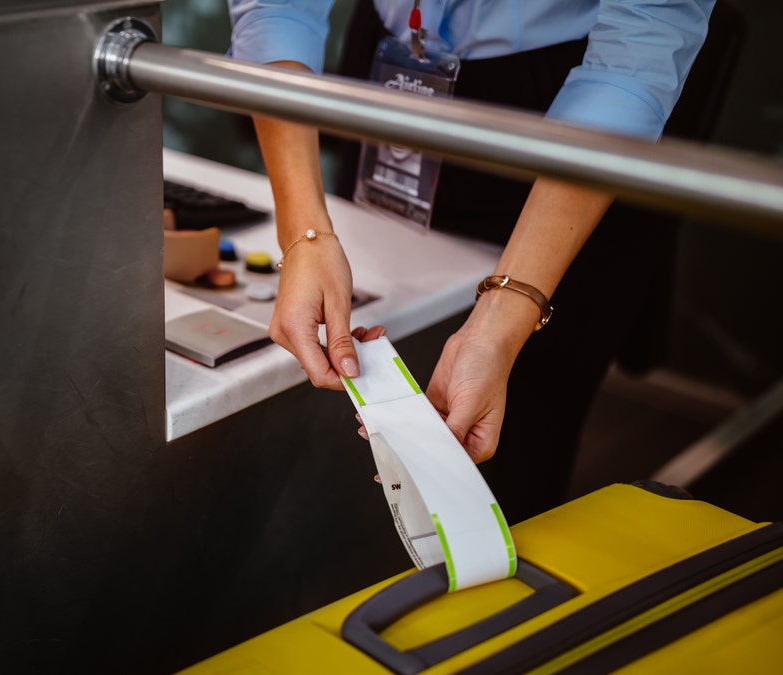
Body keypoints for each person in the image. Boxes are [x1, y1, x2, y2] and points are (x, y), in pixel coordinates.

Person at [227, 0, 715, 521]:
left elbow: (639, 47)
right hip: (391, 74)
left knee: (518, 440)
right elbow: (278, 9)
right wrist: (304, 234)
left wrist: (503, 322)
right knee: (362, 412)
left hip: (577, 110)